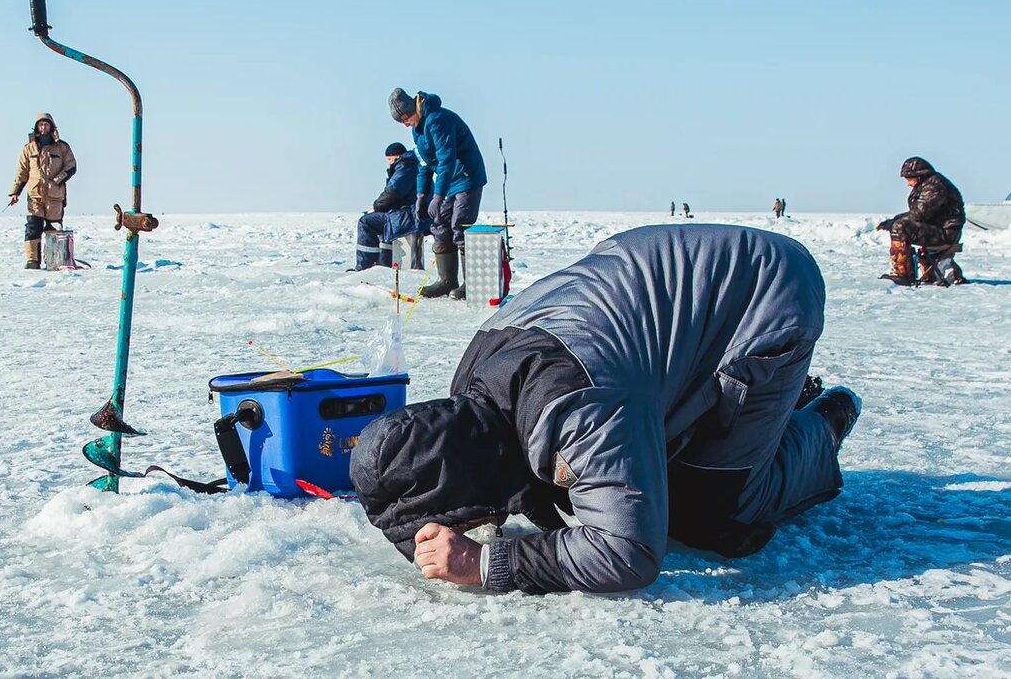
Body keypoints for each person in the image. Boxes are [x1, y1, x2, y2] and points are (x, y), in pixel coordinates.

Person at [351, 224, 862, 594]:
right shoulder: (473, 391)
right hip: (667, 280)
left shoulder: (576, 407)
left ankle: (823, 421)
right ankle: (774, 407)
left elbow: (630, 552)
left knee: (710, 514)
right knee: (634, 472)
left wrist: (486, 563)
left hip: (764, 298)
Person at [388, 88, 487, 299]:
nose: (406, 124)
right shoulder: (418, 130)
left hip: (467, 177)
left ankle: (471, 284)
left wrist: (439, 195)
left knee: (460, 225)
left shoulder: (438, 120)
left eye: (405, 118)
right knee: (439, 222)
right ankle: (446, 280)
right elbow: (424, 164)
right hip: (448, 181)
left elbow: (447, 159)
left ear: (411, 108)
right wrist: (422, 196)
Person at [876, 156, 966, 286]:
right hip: (940, 229)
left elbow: (920, 213)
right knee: (899, 224)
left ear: (918, 176)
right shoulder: (929, 184)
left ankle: (903, 273)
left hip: (946, 232)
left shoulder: (934, 186)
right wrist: (893, 220)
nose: (908, 184)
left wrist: (893, 223)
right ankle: (908, 270)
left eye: (909, 179)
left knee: (900, 227)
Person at [8, 113, 77, 269]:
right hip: (35, 197)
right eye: (41, 125)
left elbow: (71, 166)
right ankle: (33, 261)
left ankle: (54, 260)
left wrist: (57, 181)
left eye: (46, 124)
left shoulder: (62, 147)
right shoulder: (28, 149)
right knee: (33, 228)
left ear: (52, 127)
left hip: (55, 198)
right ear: (36, 127)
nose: (43, 127)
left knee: (54, 230)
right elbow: (22, 173)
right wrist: (15, 193)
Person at [351, 142, 421, 271]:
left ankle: (365, 267)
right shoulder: (412, 166)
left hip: (407, 215)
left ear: (396, 156)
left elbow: (393, 192)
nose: (389, 163)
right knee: (384, 223)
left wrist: (376, 207)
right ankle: (384, 264)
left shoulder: (405, 167)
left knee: (366, 222)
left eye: (389, 159)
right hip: (409, 213)